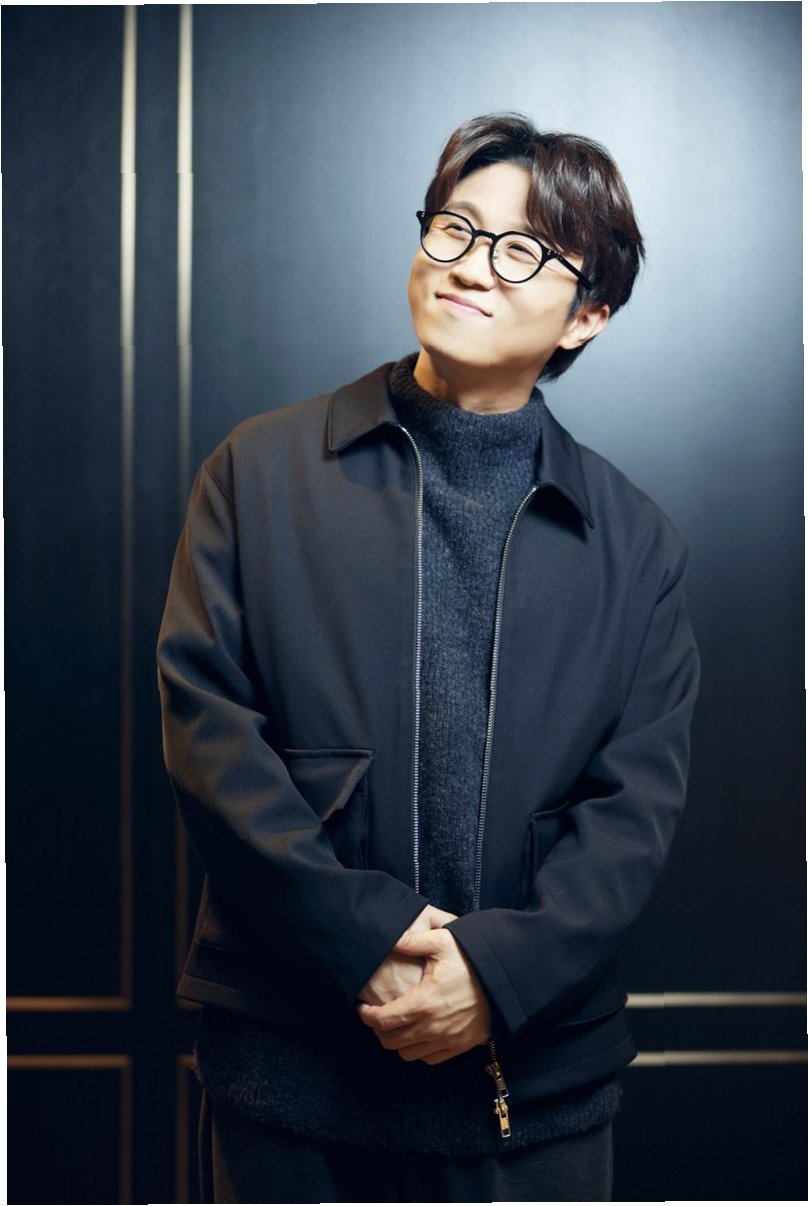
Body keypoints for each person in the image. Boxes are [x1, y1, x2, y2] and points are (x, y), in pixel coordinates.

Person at [158, 112, 700, 1203]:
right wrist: (361, 934)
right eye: (455, 228)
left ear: (587, 314)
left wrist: (496, 975)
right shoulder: (257, 472)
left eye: (521, 250)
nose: (470, 266)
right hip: (290, 1069)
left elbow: (632, 807)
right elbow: (211, 736)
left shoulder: (632, 539)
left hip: (533, 1086)